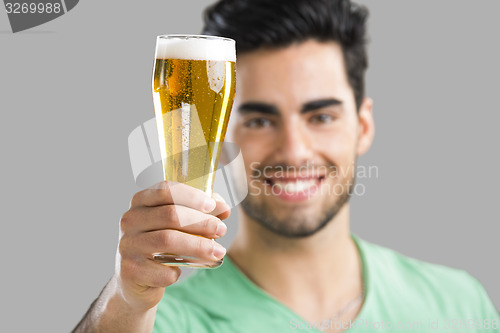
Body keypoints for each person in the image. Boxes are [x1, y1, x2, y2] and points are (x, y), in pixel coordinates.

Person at [73, 0, 500, 332]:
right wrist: (125, 303)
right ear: (219, 133)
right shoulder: (156, 320)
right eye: (260, 120)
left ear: (363, 126)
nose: (294, 152)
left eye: (321, 116)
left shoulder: (459, 305)